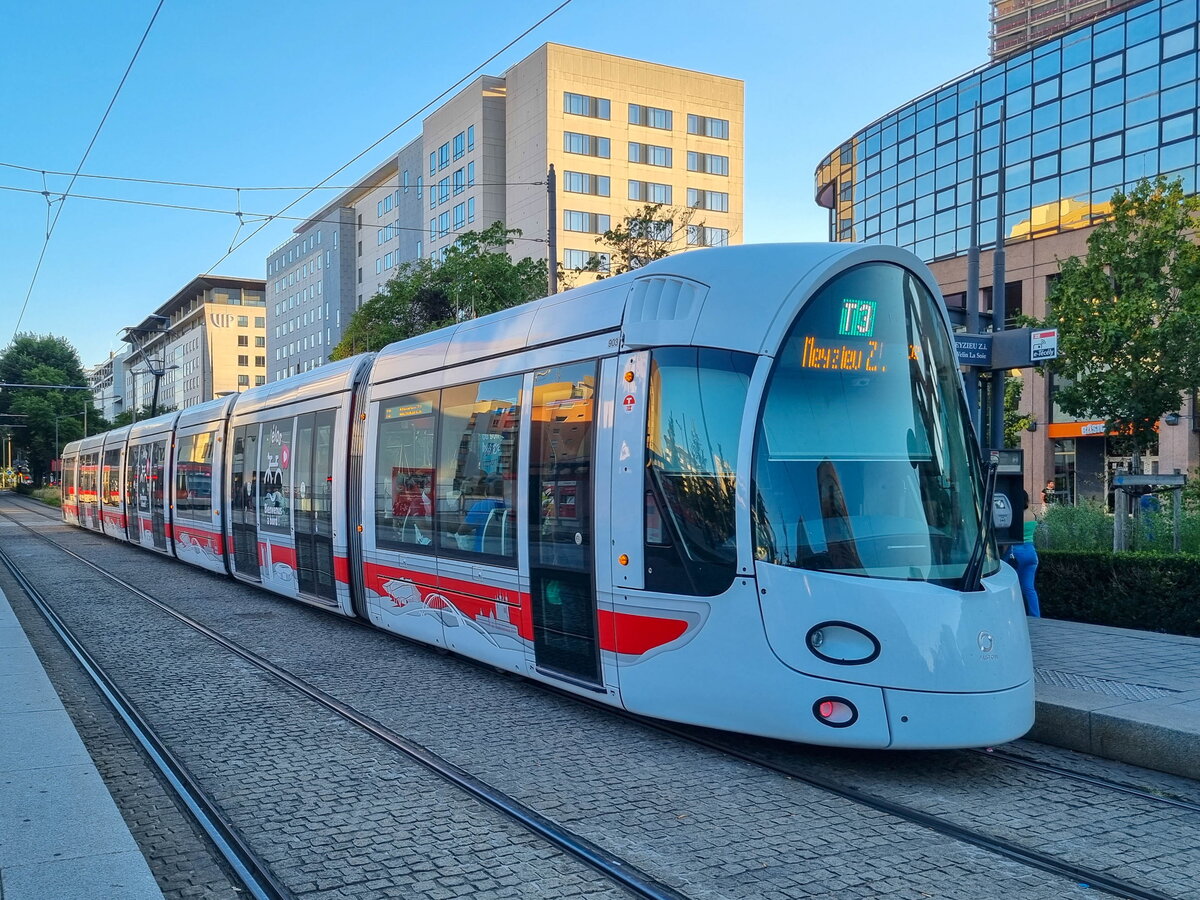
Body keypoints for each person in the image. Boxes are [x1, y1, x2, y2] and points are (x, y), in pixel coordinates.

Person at [1004, 490, 1041, 617]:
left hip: (1015, 553)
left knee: (1010, 586)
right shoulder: (1033, 515)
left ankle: (1011, 614)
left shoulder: (1014, 516)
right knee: (1029, 588)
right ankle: (1036, 615)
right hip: (1031, 553)